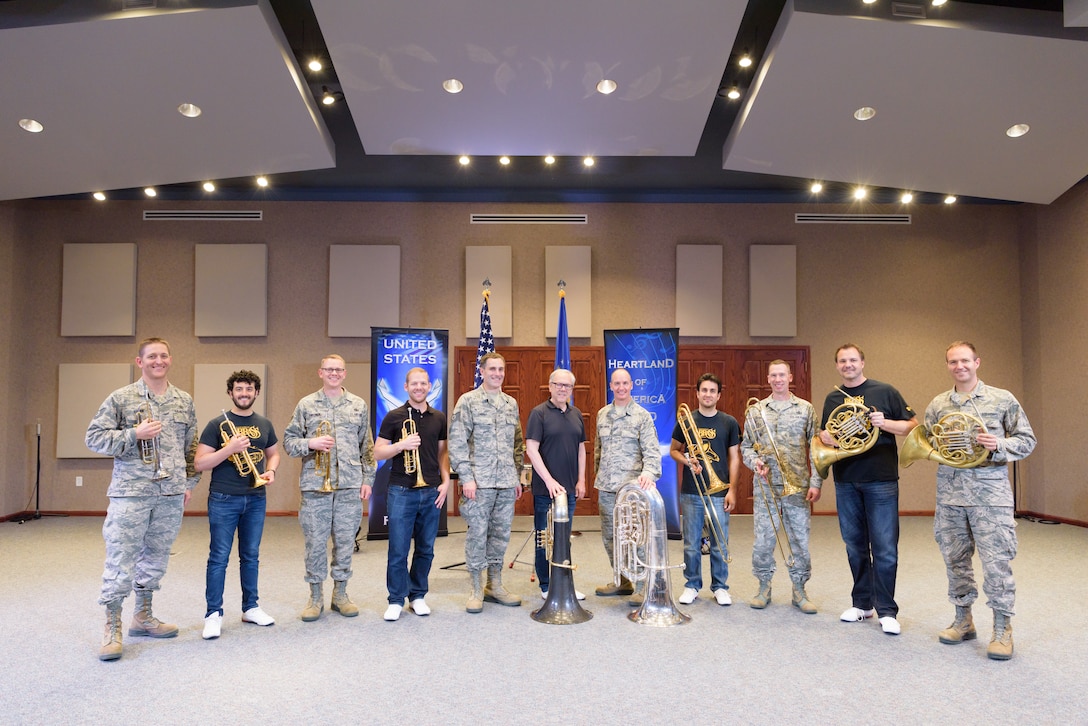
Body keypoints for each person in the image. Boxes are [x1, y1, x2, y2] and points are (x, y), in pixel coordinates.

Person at [85, 337, 198, 662]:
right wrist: (133, 434)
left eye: (163, 355)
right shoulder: (121, 398)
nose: (158, 361)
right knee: (121, 559)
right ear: (140, 362)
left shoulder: (183, 400)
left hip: (170, 494)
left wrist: (188, 481)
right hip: (131, 493)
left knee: (157, 557)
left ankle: (143, 616)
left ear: (170, 360)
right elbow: (93, 438)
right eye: (151, 356)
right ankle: (112, 628)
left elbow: (190, 446)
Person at [924, 342, 1035, 660]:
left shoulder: (1002, 398)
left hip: (990, 497)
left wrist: (998, 443)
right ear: (947, 365)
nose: (959, 366)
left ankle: (1002, 628)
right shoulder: (938, 404)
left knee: (996, 564)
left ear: (977, 362)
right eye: (952, 361)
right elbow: (931, 442)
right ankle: (963, 619)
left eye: (964, 360)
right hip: (950, 497)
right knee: (955, 560)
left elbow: (1027, 440)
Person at [818, 344, 917, 635]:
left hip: (881, 478)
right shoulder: (833, 397)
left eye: (852, 360)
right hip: (846, 478)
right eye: (842, 361)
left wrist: (884, 423)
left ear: (862, 362)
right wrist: (826, 437)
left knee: (885, 548)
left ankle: (887, 610)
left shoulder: (885, 391)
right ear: (837, 366)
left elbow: (912, 426)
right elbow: (829, 433)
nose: (848, 365)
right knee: (855, 546)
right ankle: (862, 604)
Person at [283, 354, 376, 622]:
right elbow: (289, 442)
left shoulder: (358, 405)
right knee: (315, 543)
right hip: (315, 487)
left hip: (348, 487)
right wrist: (310, 444)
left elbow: (366, 447)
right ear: (320, 372)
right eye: (329, 369)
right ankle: (315, 597)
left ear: (345, 373)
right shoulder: (306, 404)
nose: (334, 373)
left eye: (338, 370)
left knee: (345, 543)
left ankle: (341, 595)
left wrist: (368, 480)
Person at [194, 370, 280, 639]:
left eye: (249, 389)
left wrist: (272, 471)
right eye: (239, 389)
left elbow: (273, 453)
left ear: (256, 392)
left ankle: (250, 607)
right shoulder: (216, 424)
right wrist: (229, 449)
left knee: (251, 556)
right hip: (224, 498)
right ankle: (213, 614)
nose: (244, 393)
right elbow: (200, 463)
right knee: (219, 557)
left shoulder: (264, 423)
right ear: (230, 393)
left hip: (255, 498)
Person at [741, 360, 823, 614]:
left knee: (799, 540)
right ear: (768, 379)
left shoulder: (805, 409)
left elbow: (817, 448)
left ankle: (799, 590)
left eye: (782, 375)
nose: (778, 379)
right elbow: (745, 447)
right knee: (764, 540)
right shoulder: (756, 411)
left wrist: (816, 481)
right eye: (773, 375)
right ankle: (763, 586)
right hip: (766, 486)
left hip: (797, 486)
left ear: (790, 377)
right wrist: (755, 462)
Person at [448, 352, 526, 613]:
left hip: (505, 482)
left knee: (501, 536)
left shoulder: (510, 403)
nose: (497, 374)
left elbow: (517, 443)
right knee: (477, 536)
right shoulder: (468, 402)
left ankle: (495, 585)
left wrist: (517, 476)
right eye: (492, 369)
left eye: (501, 369)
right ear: (482, 371)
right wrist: (466, 478)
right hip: (478, 484)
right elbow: (457, 442)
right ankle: (475, 588)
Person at [373, 368, 450, 622]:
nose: (419, 387)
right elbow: (378, 452)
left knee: (426, 548)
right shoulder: (394, 417)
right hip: (401, 490)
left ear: (429, 386)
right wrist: (401, 446)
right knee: (398, 549)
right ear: (406, 387)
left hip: (430, 491)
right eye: (414, 384)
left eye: (423, 383)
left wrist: (446, 481)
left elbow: (442, 454)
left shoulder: (438, 417)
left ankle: (417, 596)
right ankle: (396, 599)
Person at [593, 368, 662, 605]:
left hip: (632, 491)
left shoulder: (642, 416)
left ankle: (643, 585)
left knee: (636, 538)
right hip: (606, 488)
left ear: (631, 385)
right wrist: (598, 476)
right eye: (616, 383)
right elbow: (597, 452)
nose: (621, 387)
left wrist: (648, 474)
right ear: (610, 386)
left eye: (625, 383)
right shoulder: (602, 414)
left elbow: (652, 453)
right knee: (611, 538)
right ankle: (622, 579)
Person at [670, 373, 739, 607]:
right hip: (692, 490)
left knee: (720, 541)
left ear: (718, 395)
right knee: (691, 542)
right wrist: (687, 461)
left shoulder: (728, 422)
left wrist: (732, 490)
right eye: (704, 390)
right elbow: (674, 450)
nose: (708, 394)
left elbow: (734, 458)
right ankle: (692, 585)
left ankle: (720, 587)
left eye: (712, 391)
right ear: (697, 393)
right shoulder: (686, 420)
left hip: (719, 491)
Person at [525, 368, 586, 601]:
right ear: (550, 387)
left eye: (567, 386)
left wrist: (581, 479)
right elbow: (531, 449)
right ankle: (545, 585)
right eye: (558, 385)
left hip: (569, 489)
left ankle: (564, 582)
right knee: (544, 538)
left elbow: (581, 449)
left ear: (572, 389)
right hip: (545, 490)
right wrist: (549, 480)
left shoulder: (576, 413)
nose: (562, 389)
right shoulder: (538, 413)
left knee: (563, 537)